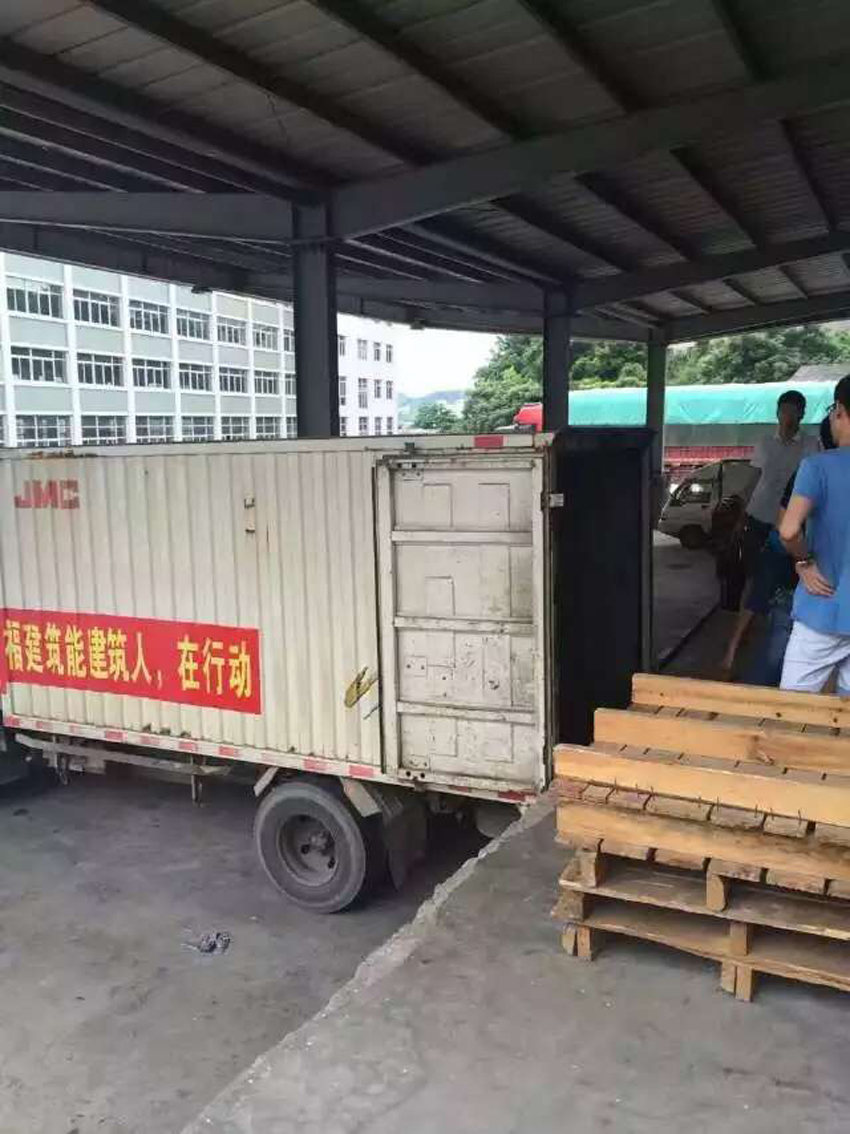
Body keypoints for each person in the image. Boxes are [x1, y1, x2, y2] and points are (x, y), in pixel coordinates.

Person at [720, 390, 818, 675]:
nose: (788, 417)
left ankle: (773, 634)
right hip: (759, 518)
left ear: (802, 414)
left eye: (793, 411)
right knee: (756, 579)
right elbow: (754, 479)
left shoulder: (811, 445)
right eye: (784, 410)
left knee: (781, 583)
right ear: (777, 413)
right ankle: (744, 638)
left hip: (791, 526)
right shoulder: (764, 443)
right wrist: (740, 515)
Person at [780, 377, 850, 696]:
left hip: (824, 608)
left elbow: (789, 529)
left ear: (839, 410)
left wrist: (804, 562)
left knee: (791, 709)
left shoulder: (817, 467)